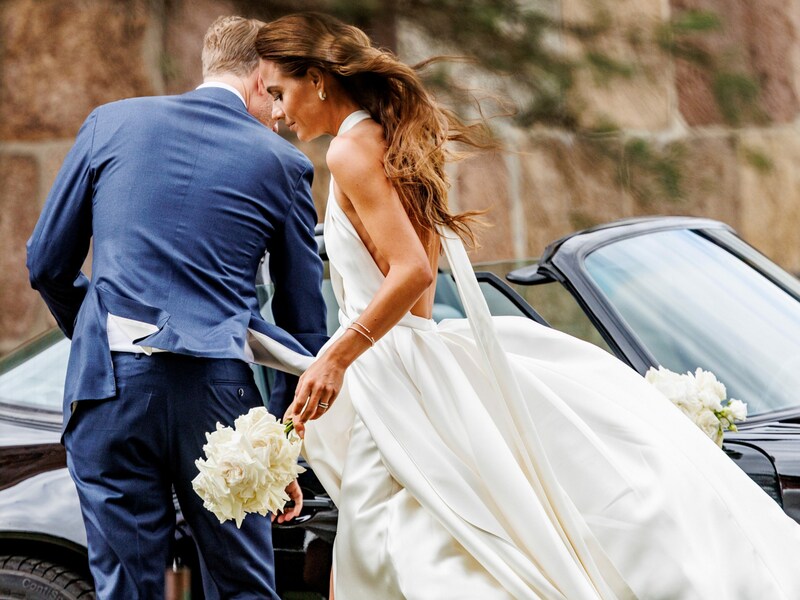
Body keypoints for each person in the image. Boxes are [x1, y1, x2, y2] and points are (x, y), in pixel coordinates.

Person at [256, 12, 800, 600]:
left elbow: (412, 271)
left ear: (316, 79)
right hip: (406, 365)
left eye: (280, 94)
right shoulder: (389, 138)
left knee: (377, 553)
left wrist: (338, 356)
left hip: (393, 375)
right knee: (407, 543)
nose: (279, 114)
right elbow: (419, 277)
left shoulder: (348, 153)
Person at [26, 15, 328, 600]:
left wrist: (98, 331)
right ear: (262, 74)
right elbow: (301, 319)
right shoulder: (284, 164)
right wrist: (283, 444)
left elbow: (45, 264)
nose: (280, 112)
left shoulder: (110, 123)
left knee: (129, 588)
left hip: (108, 389)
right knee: (242, 586)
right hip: (220, 400)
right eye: (281, 91)